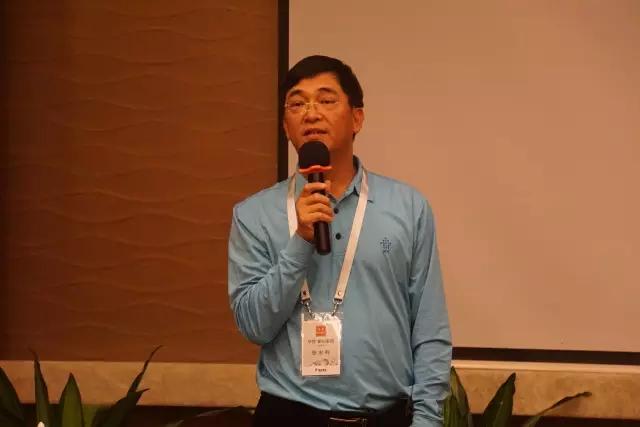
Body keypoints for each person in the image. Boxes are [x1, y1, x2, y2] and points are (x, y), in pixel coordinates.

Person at [228, 55, 451, 427]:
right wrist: (300, 241)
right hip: (289, 416)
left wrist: (427, 421)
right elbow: (254, 326)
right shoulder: (253, 215)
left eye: (326, 100)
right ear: (285, 125)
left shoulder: (408, 207)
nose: (311, 113)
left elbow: (430, 330)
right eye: (297, 104)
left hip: (385, 417)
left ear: (357, 118)